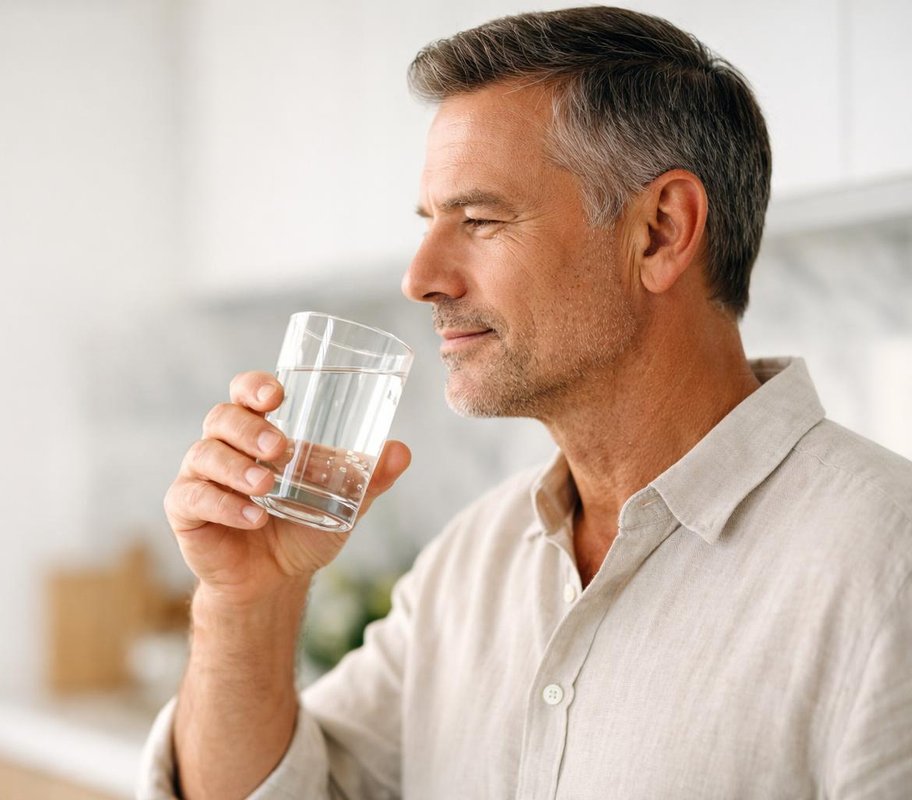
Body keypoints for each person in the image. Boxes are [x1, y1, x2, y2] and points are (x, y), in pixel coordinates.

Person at [140, 7, 912, 798]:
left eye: (479, 220)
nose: (419, 279)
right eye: (430, 223)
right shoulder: (471, 562)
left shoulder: (887, 564)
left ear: (659, 231)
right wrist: (248, 600)